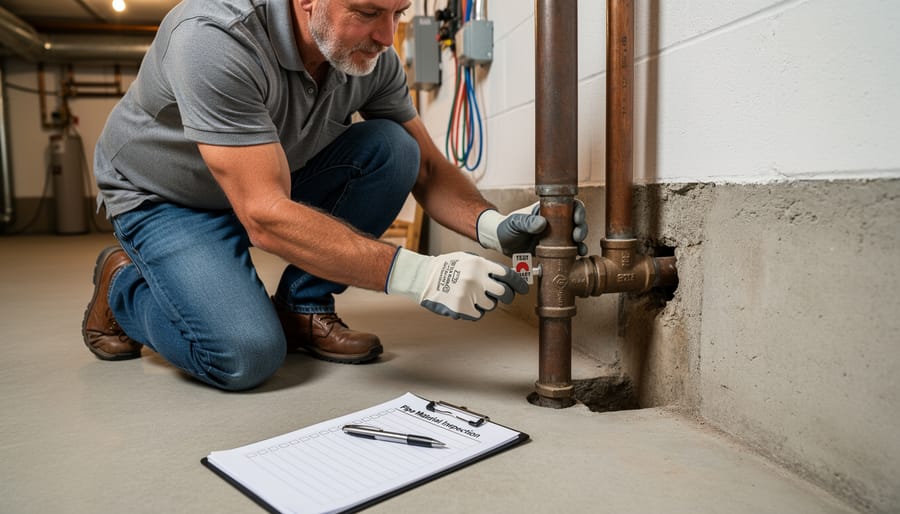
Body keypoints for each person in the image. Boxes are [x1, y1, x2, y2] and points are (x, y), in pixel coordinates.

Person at [82, 0, 587, 391]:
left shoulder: (369, 56)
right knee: (243, 356)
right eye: (367, 12)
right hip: (165, 197)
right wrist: (421, 274)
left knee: (394, 149)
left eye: (397, 13)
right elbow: (264, 215)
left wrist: (492, 226)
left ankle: (302, 306)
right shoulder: (215, 37)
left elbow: (428, 167)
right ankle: (123, 286)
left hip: (266, 183)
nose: (386, 36)